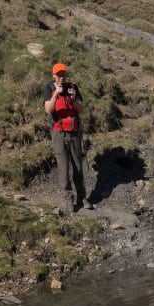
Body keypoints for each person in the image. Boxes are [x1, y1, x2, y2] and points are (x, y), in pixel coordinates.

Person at [44, 62, 92, 212]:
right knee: (63, 168)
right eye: (58, 74)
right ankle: (68, 199)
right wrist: (56, 94)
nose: (61, 77)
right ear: (53, 75)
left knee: (78, 166)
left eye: (63, 74)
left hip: (74, 132)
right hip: (59, 133)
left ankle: (82, 197)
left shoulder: (73, 88)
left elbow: (81, 109)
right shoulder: (49, 88)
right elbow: (48, 110)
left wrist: (72, 99)